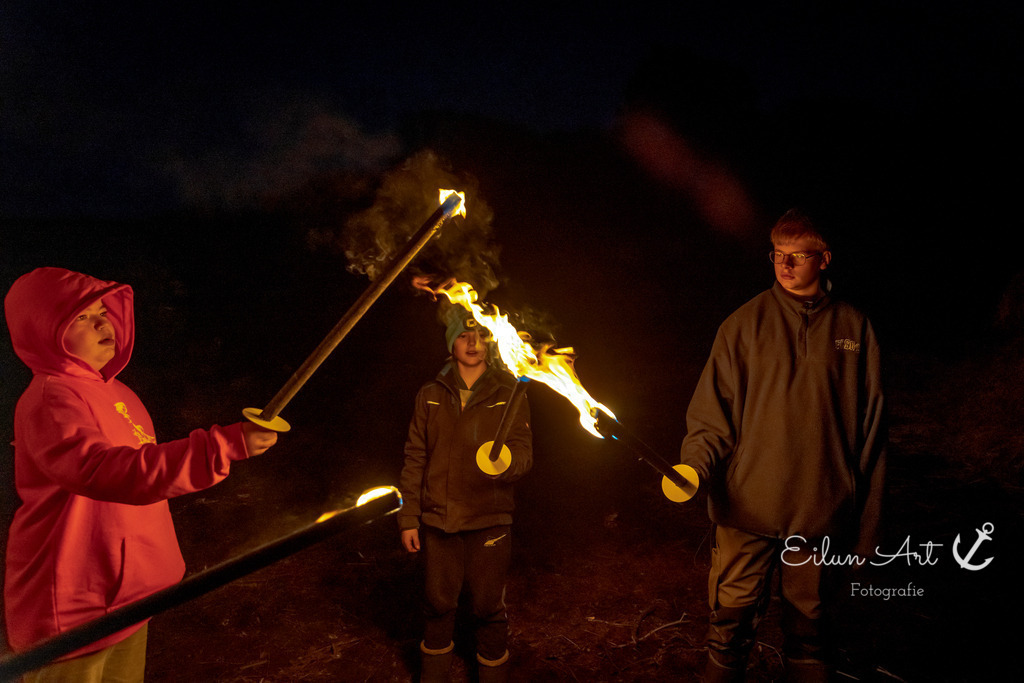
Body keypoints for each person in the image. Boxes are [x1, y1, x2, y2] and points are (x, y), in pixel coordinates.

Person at [3, 267, 279, 682]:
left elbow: (147, 477)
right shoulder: (51, 399)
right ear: (43, 329)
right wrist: (220, 447)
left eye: (101, 311)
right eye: (81, 317)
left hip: (129, 599)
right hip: (74, 611)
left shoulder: (117, 392)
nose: (102, 322)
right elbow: (105, 472)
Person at [679, 209, 886, 682]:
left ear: (825, 259)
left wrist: (868, 527)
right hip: (746, 509)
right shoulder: (743, 326)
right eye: (777, 254)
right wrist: (695, 467)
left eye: (798, 256)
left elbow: (872, 435)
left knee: (811, 632)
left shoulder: (855, 331)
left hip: (819, 511)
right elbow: (711, 419)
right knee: (728, 629)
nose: (785, 266)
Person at [398, 307, 532, 683]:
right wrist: (409, 516)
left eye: (481, 336)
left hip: (490, 516)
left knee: (488, 605)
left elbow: (523, 450)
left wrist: (507, 464)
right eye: (463, 336)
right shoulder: (430, 394)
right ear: (450, 343)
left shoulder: (509, 390)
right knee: (438, 604)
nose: (473, 344)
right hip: (440, 518)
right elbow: (415, 456)